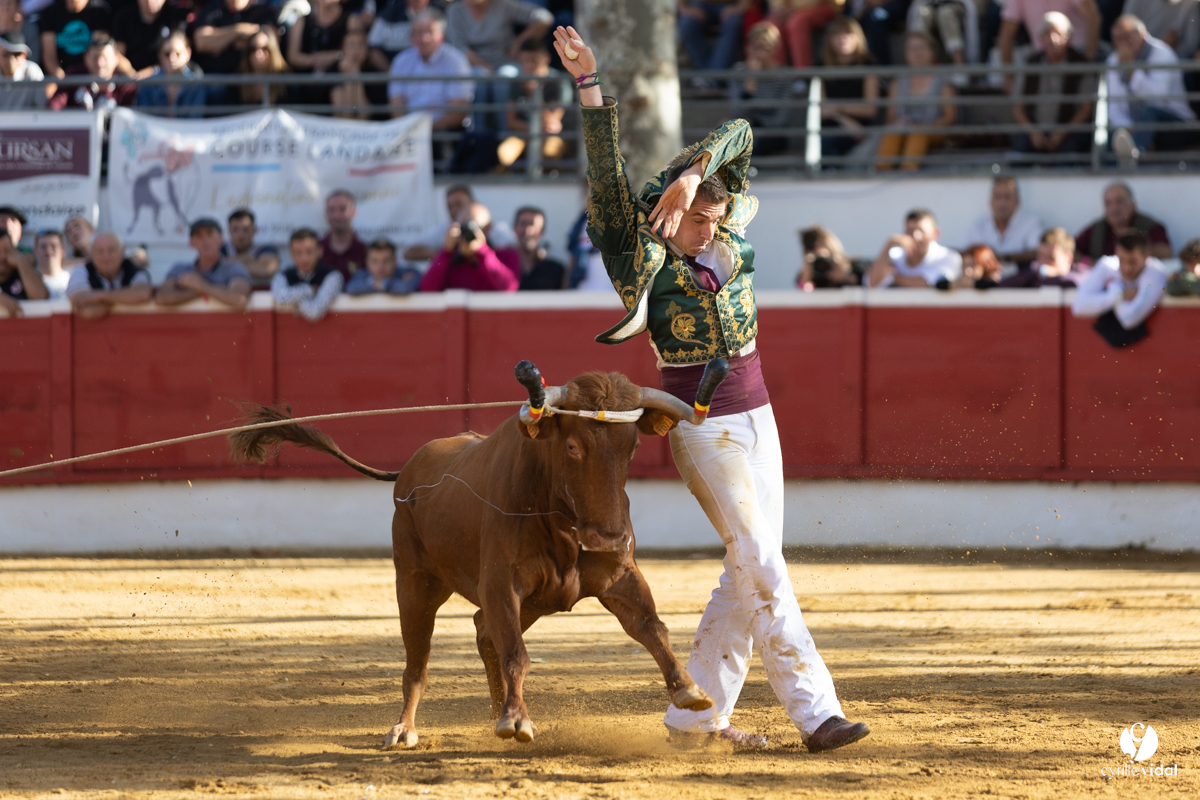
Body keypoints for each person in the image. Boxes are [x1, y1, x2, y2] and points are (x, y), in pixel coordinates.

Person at [558, 24, 869, 753]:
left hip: (761, 416)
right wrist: (589, 86)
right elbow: (605, 176)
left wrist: (697, 174)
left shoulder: (724, 223)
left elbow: (741, 130)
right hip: (702, 422)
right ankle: (816, 711)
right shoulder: (639, 245)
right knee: (762, 559)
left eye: (712, 215)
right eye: (694, 218)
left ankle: (695, 717)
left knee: (747, 565)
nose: (704, 228)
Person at [1107, 14, 1197, 163]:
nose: (1122, 44)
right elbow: (1114, 108)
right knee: (1113, 136)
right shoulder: (1113, 60)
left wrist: (1132, 71)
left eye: (1126, 37)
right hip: (1137, 129)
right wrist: (1128, 129)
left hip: (1176, 125)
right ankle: (1116, 175)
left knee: (1148, 113)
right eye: (1117, 39)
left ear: (1142, 35)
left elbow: (1158, 100)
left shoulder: (1163, 54)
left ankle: (1133, 157)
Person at [1012, 11, 1096, 160]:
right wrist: (1033, 132)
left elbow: (1086, 108)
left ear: (1068, 38)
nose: (1052, 39)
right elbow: (1018, 107)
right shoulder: (1030, 63)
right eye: (1047, 34)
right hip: (1035, 131)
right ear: (1040, 39)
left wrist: (1061, 133)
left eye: (1057, 34)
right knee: (1018, 154)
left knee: (1069, 155)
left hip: (1069, 133)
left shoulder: (1081, 65)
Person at [875, 32, 956, 171]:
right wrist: (901, 123)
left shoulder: (943, 82)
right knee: (891, 133)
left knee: (918, 134)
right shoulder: (897, 83)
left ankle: (908, 174)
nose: (916, 53)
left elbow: (950, 117)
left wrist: (925, 126)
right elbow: (890, 117)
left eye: (921, 48)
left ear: (932, 52)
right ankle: (881, 173)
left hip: (932, 131)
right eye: (911, 48)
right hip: (903, 129)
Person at [1071, 228, 1168, 343]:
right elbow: (1078, 308)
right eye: (1121, 259)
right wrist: (1118, 294)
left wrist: (1114, 289)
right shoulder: (1107, 264)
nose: (1127, 268)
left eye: (1133, 261)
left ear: (1146, 257)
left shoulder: (1156, 272)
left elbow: (1128, 320)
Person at [388, 9, 473, 133]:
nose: (424, 38)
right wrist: (410, 130)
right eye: (419, 32)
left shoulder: (457, 61)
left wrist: (426, 130)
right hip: (408, 132)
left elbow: (458, 113)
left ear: (442, 35)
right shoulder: (401, 61)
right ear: (411, 37)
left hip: (445, 132)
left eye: (430, 32)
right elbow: (396, 106)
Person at [998, 0, 1101, 91]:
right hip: (1041, 60)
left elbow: (1093, 17)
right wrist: (1008, 76)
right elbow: (1006, 36)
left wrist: (1089, 60)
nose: (1053, 40)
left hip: (1077, 56)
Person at [496, 39, 570, 167]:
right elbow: (511, 122)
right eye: (524, 61)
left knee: (549, 151)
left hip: (552, 138)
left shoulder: (558, 83)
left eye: (533, 60)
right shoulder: (517, 82)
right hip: (523, 136)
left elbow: (552, 124)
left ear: (546, 58)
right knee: (504, 153)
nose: (529, 65)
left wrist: (535, 94)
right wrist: (535, 129)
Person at [730, 21, 797, 157]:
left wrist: (754, 123)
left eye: (764, 48)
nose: (758, 53)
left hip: (771, 133)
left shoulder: (784, 75)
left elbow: (781, 119)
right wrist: (750, 82)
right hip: (744, 129)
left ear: (775, 49)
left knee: (755, 139)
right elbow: (737, 111)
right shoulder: (739, 72)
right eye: (755, 47)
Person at [819, 17, 881, 161]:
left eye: (847, 34)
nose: (842, 39)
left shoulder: (869, 64)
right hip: (833, 126)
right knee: (824, 141)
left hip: (861, 128)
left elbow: (870, 109)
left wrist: (837, 108)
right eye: (836, 35)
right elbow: (821, 109)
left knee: (828, 143)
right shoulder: (821, 66)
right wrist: (845, 120)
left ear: (858, 38)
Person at [402, 184, 517, 261]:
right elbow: (408, 252)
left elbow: (516, 254)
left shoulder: (495, 229)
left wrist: (483, 250)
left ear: (474, 203)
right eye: (450, 207)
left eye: (459, 204)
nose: (455, 211)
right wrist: (448, 251)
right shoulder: (447, 230)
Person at [157, 217, 252, 309]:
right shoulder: (180, 268)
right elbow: (161, 298)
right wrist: (203, 291)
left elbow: (239, 299)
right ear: (191, 242)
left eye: (210, 234)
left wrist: (201, 286)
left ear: (221, 239)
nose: (205, 241)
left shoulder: (235, 268)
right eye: (199, 236)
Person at [417, 210, 519, 291]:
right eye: (464, 227)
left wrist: (483, 251)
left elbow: (509, 287)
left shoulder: (506, 255)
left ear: (487, 228)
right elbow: (427, 288)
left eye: (475, 227)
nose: (469, 232)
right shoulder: (450, 259)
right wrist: (446, 251)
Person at [1074, 182, 1172, 263]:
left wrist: (1134, 249)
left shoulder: (1149, 226)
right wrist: (1090, 263)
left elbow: (1166, 253)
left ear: (1133, 205)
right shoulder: (1096, 229)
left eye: (1119, 201)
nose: (1114, 208)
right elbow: (1071, 250)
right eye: (1108, 203)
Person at [444, 0, 552, 74]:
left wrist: (519, 43)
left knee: (506, 76)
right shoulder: (454, 11)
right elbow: (459, 46)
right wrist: (485, 67)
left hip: (505, 61)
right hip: (473, 66)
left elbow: (544, 18)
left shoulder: (502, 5)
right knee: (479, 76)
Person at [65, 232, 152, 319]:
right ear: (91, 254)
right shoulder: (81, 272)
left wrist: (99, 297)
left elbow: (142, 294)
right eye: (100, 251)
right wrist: (123, 298)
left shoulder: (135, 271)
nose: (106, 256)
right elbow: (87, 308)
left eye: (111, 250)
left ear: (122, 252)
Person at [867, 208, 963, 287]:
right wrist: (889, 244)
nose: (915, 236)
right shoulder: (895, 255)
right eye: (910, 230)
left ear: (935, 234)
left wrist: (892, 276)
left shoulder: (949, 257)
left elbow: (927, 283)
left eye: (921, 231)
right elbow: (871, 283)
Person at [960, 176, 1043, 267]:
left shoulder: (1030, 223)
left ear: (1017, 201)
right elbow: (959, 250)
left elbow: (1038, 252)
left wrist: (1003, 258)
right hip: (986, 280)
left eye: (1007, 197)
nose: (1002, 203)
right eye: (997, 196)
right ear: (991, 201)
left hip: (1021, 280)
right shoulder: (978, 225)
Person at [191, 0, 277, 87]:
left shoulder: (262, 9)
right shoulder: (214, 8)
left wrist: (222, 41)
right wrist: (238, 30)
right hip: (216, 78)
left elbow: (272, 38)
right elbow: (202, 43)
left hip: (251, 80)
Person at [288, 0, 354, 106]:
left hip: (339, 85)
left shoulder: (351, 20)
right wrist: (316, 60)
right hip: (306, 89)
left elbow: (358, 50)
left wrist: (335, 56)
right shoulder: (301, 21)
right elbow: (293, 56)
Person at [271, 228, 345, 322]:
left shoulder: (333, 276)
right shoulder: (282, 276)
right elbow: (280, 299)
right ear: (291, 254)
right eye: (298, 253)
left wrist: (292, 298)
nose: (304, 258)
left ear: (320, 251)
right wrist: (311, 290)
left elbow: (314, 312)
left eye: (309, 251)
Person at [48, 32, 137, 109]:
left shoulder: (125, 86)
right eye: (95, 58)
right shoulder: (73, 77)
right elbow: (54, 107)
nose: (100, 63)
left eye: (105, 58)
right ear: (86, 57)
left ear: (116, 57)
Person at [135, 30, 209, 116]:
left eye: (177, 53)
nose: (172, 58)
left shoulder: (197, 85)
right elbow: (144, 119)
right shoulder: (148, 84)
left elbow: (195, 120)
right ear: (160, 55)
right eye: (167, 53)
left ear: (188, 54)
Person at [39, 0, 117, 77]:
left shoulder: (99, 10)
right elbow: (49, 55)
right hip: (63, 76)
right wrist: (63, 80)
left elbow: (99, 51)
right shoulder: (51, 13)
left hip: (91, 74)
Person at [112, 0, 187, 75]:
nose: (150, 1)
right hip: (128, 78)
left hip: (163, 77)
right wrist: (133, 75)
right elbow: (118, 54)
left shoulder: (175, 17)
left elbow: (177, 53)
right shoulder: (124, 16)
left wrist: (150, 72)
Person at [677, 0, 752, 72]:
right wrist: (684, 9)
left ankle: (709, 77)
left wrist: (738, 8)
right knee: (686, 24)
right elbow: (682, 8)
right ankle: (712, 76)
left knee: (734, 23)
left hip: (730, 5)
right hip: (701, 5)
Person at [999, 226, 1088, 286]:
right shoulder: (1034, 273)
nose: (1044, 262)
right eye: (1040, 256)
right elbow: (1004, 285)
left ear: (1069, 258)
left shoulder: (1081, 273)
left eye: (1051, 258)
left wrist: (1054, 273)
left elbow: (1074, 282)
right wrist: (1037, 273)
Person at [769, 0, 843, 67]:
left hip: (826, 5)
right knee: (772, 26)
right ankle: (777, 73)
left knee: (797, 23)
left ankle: (803, 75)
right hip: (792, 10)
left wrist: (794, 8)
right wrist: (780, 8)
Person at [1121, 0, 1200, 58]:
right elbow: (1123, 30)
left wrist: (1164, 50)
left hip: (1173, 58)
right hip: (1135, 53)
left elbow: (1190, 46)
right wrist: (1163, 46)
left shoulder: (1192, 4)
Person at [368, 0, 432, 71]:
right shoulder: (389, 13)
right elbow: (373, 49)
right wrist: (394, 74)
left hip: (433, 76)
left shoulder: (441, 11)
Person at [512, 206, 566, 290]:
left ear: (542, 231)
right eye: (523, 224)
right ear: (514, 228)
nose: (528, 231)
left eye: (533, 224)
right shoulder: (502, 266)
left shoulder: (556, 271)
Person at [225, 207, 280, 289]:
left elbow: (266, 270)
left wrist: (227, 262)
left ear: (254, 229)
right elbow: (209, 266)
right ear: (229, 230)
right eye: (235, 229)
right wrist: (247, 260)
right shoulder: (221, 249)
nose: (240, 235)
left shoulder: (267, 248)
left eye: (245, 229)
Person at [321, 189, 368, 280]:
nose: (337, 215)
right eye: (331, 210)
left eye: (343, 209)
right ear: (326, 213)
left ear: (354, 211)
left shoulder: (364, 251)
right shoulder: (316, 250)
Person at [345, 238, 422, 294]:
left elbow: (404, 289)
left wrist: (373, 283)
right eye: (375, 261)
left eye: (386, 261)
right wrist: (389, 285)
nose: (380, 266)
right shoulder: (361, 274)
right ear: (367, 262)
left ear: (395, 261)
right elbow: (352, 288)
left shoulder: (408, 272)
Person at [0, 230, 48, 317]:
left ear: (15, 251)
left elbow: (41, 297)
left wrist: (21, 261)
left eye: (7, 251)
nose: (2, 256)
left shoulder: (23, 270)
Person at [797, 225, 862, 288]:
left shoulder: (855, 265)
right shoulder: (810, 271)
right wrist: (805, 281)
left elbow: (863, 282)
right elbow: (804, 292)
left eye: (825, 258)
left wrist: (845, 278)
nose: (821, 263)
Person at [238, 27, 290, 105]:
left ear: (273, 51)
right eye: (253, 49)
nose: (258, 54)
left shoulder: (287, 81)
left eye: (265, 48)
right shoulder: (237, 81)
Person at [0, 32, 48, 109]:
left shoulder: (33, 71)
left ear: (24, 55)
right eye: (5, 54)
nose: (11, 60)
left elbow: (42, 107)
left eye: (17, 54)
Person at [331, 27, 370, 118]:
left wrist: (357, 76)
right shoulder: (333, 70)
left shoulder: (374, 72)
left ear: (367, 49)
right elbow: (345, 116)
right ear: (343, 49)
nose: (356, 50)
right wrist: (348, 77)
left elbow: (364, 116)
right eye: (351, 45)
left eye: (360, 45)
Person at [34, 229, 73, 299]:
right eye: (43, 246)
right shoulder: (28, 279)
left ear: (63, 250)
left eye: (53, 246)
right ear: (35, 250)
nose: (48, 251)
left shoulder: (72, 279)